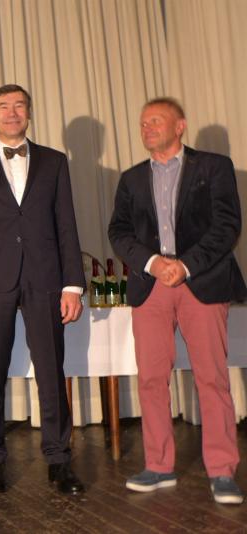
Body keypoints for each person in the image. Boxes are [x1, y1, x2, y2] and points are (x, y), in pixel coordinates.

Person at [108, 97, 246, 504]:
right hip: (151, 286)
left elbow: (227, 226)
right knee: (151, 378)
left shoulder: (214, 167)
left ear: (180, 125)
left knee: (211, 377)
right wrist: (153, 263)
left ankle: (222, 471)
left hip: (201, 280)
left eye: (155, 121)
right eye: (142, 123)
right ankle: (159, 465)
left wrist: (184, 266)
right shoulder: (131, 178)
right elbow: (118, 232)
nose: (147, 128)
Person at [0, 84, 86, 495]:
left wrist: (73, 284)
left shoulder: (54, 162)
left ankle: (59, 461)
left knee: (51, 372)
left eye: (19, 106)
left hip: (46, 279)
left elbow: (66, 225)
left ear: (29, 112)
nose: (11, 113)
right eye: (3, 107)